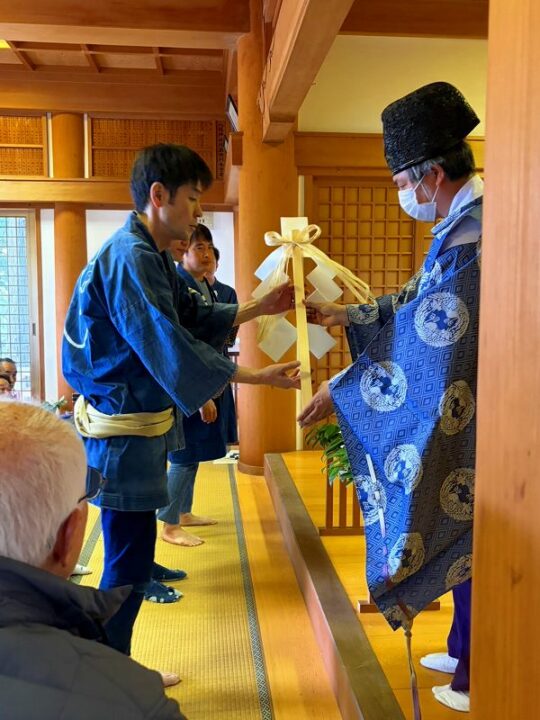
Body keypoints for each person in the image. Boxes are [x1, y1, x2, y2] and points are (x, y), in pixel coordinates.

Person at [62, 143, 300, 676]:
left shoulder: (151, 255)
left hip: (136, 425)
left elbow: (192, 313)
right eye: (192, 198)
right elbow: (168, 343)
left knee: (133, 554)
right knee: (126, 561)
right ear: (158, 195)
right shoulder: (131, 257)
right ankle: (110, 673)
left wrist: (261, 305)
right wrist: (257, 377)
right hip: (122, 429)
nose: (198, 211)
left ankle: (112, 668)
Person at [298, 82, 482, 713]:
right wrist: (349, 315)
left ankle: (477, 669)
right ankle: (461, 647)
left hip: (479, 404)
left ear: (432, 174)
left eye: (403, 181)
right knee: (460, 518)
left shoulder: (477, 232)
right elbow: (416, 302)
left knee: (465, 519)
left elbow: (428, 337)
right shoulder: (460, 225)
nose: (403, 193)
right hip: (466, 395)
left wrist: (342, 387)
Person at [0, 400, 186, 720]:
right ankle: (115, 654)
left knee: (133, 560)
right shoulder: (137, 704)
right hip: (124, 450)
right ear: (70, 534)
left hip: (126, 441)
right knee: (127, 565)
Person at [156, 225, 234, 550]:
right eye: (197, 247)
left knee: (195, 452)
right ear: (183, 253)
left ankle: (183, 512)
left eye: (208, 247)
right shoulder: (180, 287)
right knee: (184, 455)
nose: (205, 254)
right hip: (187, 386)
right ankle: (169, 524)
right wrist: (201, 395)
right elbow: (185, 350)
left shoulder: (205, 287)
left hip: (207, 381)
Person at [205, 243, 239, 450]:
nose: (206, 262)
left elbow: (231, 332)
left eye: (210, 260)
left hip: (219, 357)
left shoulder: (227, 292)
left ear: (217, 265)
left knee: (221, 410)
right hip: (194, 359)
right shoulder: (188, 290)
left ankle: (222, 445)